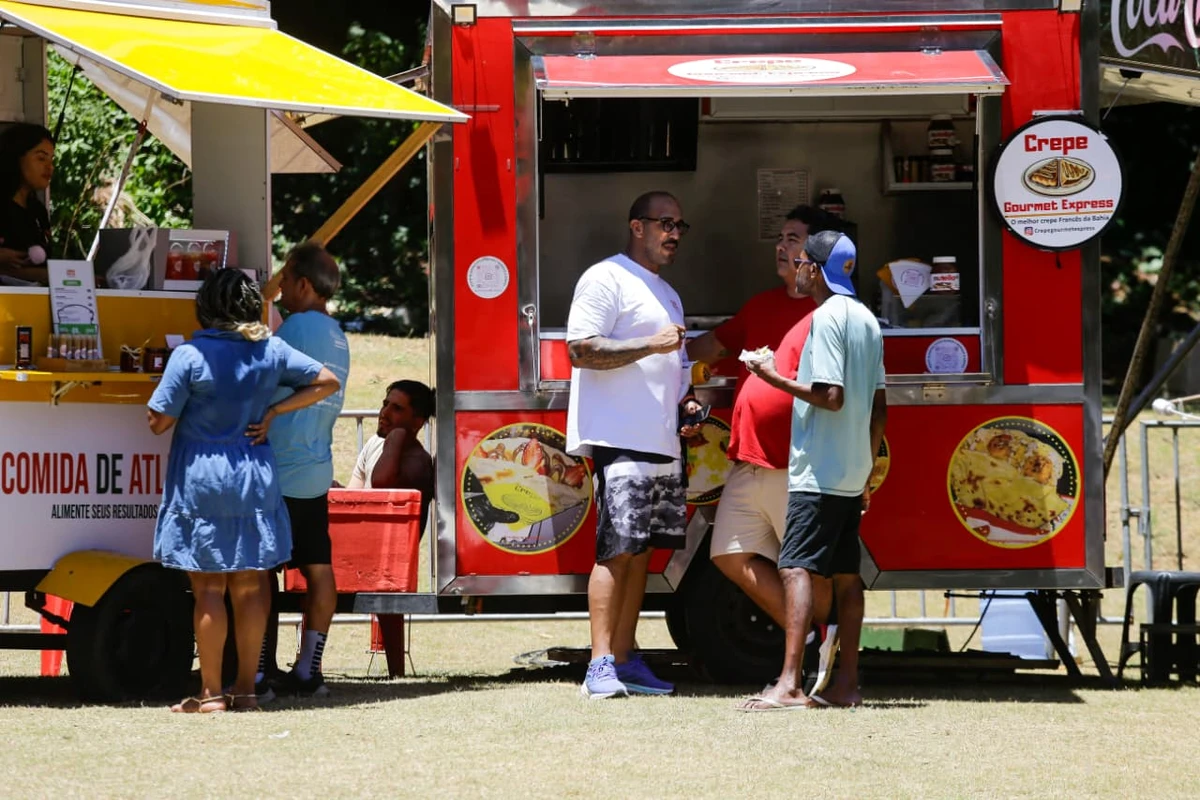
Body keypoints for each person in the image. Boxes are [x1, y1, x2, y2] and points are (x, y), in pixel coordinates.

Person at [147, 269, 341, 713]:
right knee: (252, 584)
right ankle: (248, 691)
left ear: (207, 305)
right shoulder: (270, 349)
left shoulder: (191, 354)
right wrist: (274, 410)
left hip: (202, 475)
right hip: (255, 472)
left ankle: (211, 693)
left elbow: (159, 420)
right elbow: (327, 381)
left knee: (209, 588)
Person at [686, 209, 839, 693]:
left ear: (815, 255)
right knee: (729, 554)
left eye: (793, 239)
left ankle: (820, 650)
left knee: (807, 569)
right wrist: (667, 351)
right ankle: (818, 636)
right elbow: (711, 345)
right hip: (747, 461)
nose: (781, 246)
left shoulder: (830, 313)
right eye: (779, 238)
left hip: (796, 464)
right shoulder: (761, 305)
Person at [738, 231, 886, 711]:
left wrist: (772, 377)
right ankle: (847, 686)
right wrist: (866, 466)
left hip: (817, 470)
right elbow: (879, 408)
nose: (796, 268)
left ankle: (790, 684)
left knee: (796, 567)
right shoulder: (867, 319)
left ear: (816, 270)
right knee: (846, 576)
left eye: (802, 261)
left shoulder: (825, 318)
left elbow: (830, 395)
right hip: (850, 471)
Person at [566, 190, 703, 699]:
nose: (673, 233)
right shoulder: (606, 277)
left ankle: (624, 658)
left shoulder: (668, 294)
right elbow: (581, 350)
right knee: (617, 548)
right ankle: (599, 665)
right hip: (618, 437)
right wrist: (651, 343)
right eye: (664, 223)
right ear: (636, 226)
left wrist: (685, 409)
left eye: (680, 226)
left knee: (642, 553)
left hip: (661, 439)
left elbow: (675, 372)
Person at [263, 242, 351, 698]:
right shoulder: (338, 333)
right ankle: (308, 668)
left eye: (285, 284)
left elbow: (259, 370)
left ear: (301, 283)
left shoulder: (295, 326)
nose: (280, 294)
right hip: (316, 467)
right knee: (318, 568)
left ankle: (259, 667)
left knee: (260, 569)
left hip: (280, 465)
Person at [348, 379, 436, 532]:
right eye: (385, 404)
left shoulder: (419, 462)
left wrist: (397, 436)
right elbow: (353, 496)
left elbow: (381, 483)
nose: (384, 413)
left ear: (418, 422)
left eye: (397, 409)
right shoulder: (375, 443)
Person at [0, 123, 55, 286]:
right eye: (41, 158)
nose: (49, 167)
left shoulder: (38, 211)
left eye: (52, 159)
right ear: (16, 157)